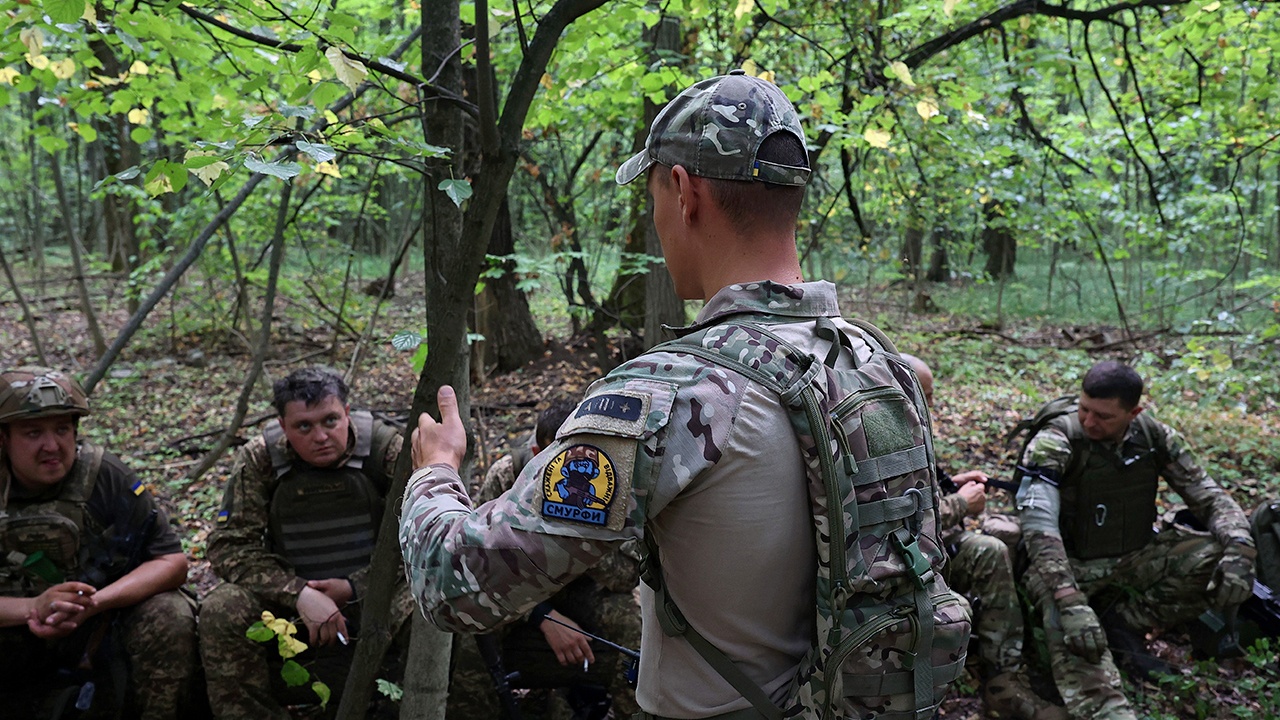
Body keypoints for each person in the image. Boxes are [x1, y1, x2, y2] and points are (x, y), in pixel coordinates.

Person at [402, 70, 963, 719]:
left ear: (683, 190)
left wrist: (436, 473)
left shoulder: (667, 397)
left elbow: (456, 584)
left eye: (653, 195)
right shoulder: (879, 363)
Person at [1015, 361, 1256, 720]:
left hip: (1133, 557)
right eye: (1084, 409)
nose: (1089, 422)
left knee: (1214, 555)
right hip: (1064, 567)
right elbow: (1038, 525)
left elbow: (1209, 497)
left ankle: (1124, 624)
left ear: (1134, 412)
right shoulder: (1056, 440)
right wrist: (1070, 600)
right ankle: (1107, 709)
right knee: (1075, 631)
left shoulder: (1154, 436)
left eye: (1103, 416)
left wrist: (1240, 548)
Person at [200, 367, 413, 719]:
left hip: (381, 591)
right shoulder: (262, 458)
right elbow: (230, 545)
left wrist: (355, 586)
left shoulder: (385, 449)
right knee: (222, 609)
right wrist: (299, 593)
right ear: (284, 427)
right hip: (291, 602)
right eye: (304, 426)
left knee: (428, 610)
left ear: (347, 413)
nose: (321, 436)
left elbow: (426, 538)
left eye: (330, 420)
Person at [0, 366, 197, 719]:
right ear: (3, 438)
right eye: (33, 433)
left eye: (62, 429)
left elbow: (171, 562)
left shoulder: (104, 476)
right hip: (13, 630)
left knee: (170, 613)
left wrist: (94, 603)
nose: (52, 446)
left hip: (100, 627)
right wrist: (32, 608)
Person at [447, 399, 642, 719]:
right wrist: (542, 615)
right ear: (538, 454)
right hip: (517, 593)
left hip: (584, 590)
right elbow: (478, 567)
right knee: (475, 631)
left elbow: (626, 578)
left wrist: (581, 529)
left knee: (635, 629)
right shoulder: (508, 474)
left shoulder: (610, 477)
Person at [904, 355, 1065, 720]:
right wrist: (960, 504)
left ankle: (1005, 676)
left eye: (931, 396)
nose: (930, 406)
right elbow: (893, 517)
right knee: (987, 549)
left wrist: (950, 483)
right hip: (901, 555)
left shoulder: (913, 428)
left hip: (932, 545)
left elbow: (918, 493)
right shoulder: (878, 432)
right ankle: (984, 681)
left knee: (997, 544)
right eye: (923, 395)